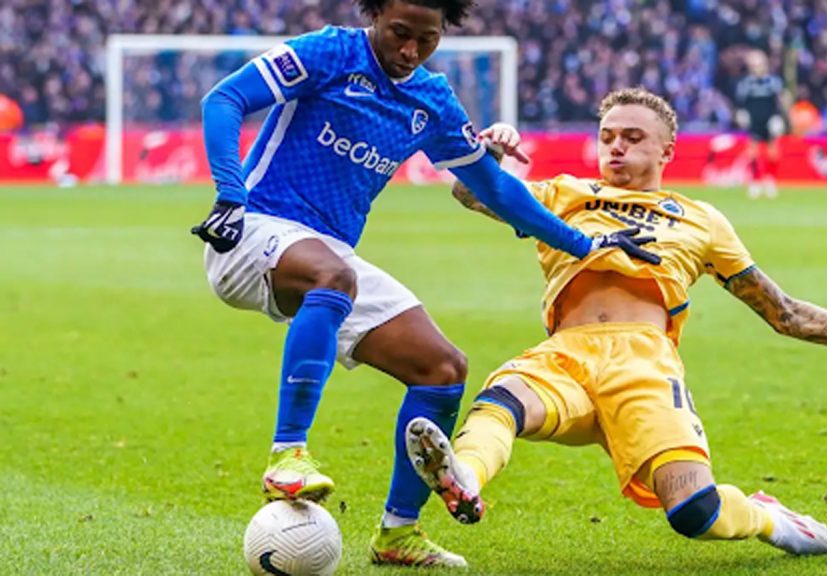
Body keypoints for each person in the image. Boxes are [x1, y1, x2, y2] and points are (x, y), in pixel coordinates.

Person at [189, 0, 657, 568]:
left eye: (426, 39)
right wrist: (229, 194)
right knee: (333, 276)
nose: (410, 50)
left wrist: (585, 245)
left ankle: (398, 533)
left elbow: (494, 187)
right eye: (399, 33)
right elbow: (224, 99)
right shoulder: (330, 52)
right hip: (252, 230)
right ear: (376, 16)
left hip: (329, 256)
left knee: (442, 369)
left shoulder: (431, 99)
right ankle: (288, 455)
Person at [403, 88, 827, 559]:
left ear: (667, 149)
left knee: (696, 512)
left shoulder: (700, 219)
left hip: (644, 366)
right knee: (502, 400)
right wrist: (488, 155)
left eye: (632, 137)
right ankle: (464, 477)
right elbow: (470, 192)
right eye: (607, 136)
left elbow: (782, 312)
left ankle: (768, 517)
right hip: (566, 354)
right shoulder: (565, 193)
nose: (616, 146)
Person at [735, 50, 788, 199]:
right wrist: (741, 113)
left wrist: (779, 117)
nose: (757, 68)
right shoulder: (745, 83)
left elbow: (780, 101)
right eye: (754, 65)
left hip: (770, 120)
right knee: (753, 152)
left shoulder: (774, 82)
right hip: (754, 121)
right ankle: (755, 181)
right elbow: (740, 102)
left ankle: (770, 180)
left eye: (759, 65)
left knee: (773, 153)